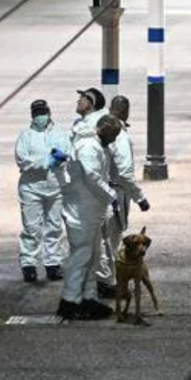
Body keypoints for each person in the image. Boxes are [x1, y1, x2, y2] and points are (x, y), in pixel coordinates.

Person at [56, 113, 121, 320]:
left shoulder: (98, 146)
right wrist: (111, 196)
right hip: (80, 211)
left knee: (92, 256)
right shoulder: (88, 147)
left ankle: (88, 297)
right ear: (105, 129)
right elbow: (92, 177)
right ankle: (70, 301)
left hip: (91, 210)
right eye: (114, 134)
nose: (115, 138)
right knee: (81, 256)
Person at [95, 94, 150, 298]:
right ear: (126, 112)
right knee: (112, 239)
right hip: (116, 193)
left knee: (100, 239)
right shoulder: (122, 137)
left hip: (97, 193)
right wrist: (140, 197)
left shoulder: (97, 128)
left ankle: (99, 278)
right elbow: (126, 174)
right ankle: (107, 281)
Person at [14, 99, 70, 282]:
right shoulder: (25, 135)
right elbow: (23, 161)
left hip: (55, 187)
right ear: (32, 115)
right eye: (37, 113)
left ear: (49, 113)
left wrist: (61, 158)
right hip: (31, 188)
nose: (40, 117)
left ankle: (53, 264)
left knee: (54, 226)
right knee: (31, 228)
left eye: (43, 113)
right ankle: (28, 265)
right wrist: (47, 161)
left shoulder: (60, 134)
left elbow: (67, 153)